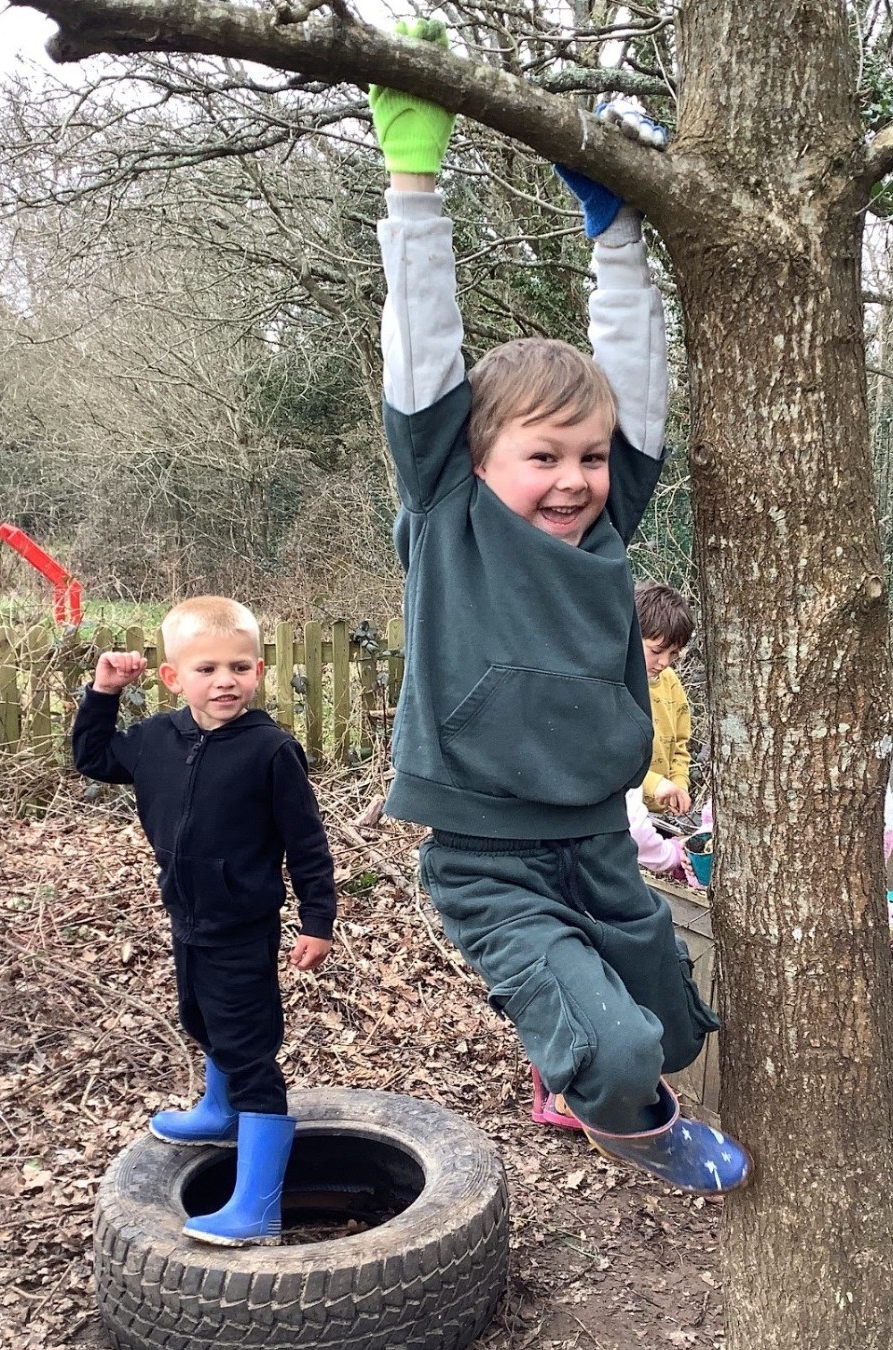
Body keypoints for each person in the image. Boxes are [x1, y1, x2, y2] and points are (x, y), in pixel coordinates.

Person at [369, 29, 750, 1193]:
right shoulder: (447, 509)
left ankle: (630, 1068)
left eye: (587, 457)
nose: (574, 480)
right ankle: (632, 1128)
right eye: (543, 457)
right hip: (487, 856)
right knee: (620, 1055)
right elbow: (422, 350)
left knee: (671, 1030)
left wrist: (615, 237)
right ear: (477, 459)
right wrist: (413, 179)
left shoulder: (603, 525)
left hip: (594, 836)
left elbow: (633, 387)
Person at [72, 595, 336, 1246]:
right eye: (207, 668)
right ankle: (219, 1112)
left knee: (249, 1053)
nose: (225, 681)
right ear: (173, 677)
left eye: (240, 667)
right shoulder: (156, 740)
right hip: (186, 915)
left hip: (243, 925)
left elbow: (306, 844)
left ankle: (258, 1209)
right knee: (200, 1017)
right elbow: (93, 758)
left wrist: (318, 919)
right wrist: (103, 693)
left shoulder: (270, 750)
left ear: (258, 671)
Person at [635, 580, 695, 816]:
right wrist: (653, 783)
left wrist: (679, 785)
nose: (664, 662)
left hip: (661, 816)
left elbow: (681, 743)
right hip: (623, 813)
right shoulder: (614, 685)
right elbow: (604, 757)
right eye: (656, 651)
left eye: (673, 654)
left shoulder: (670, 681)